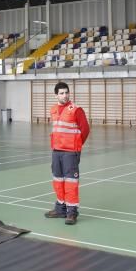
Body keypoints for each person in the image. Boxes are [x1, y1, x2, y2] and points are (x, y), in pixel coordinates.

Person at [46, 81, 90, 225]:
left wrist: (75, 145)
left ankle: (71, 213)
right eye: (61, 93)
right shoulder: (53, 109)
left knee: (71, 183)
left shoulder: (76, 110)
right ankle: (60, 209)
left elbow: (85, 130)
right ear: (56, 95)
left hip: (70, 152)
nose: (65, 95)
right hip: (56, 151)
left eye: (66, 92)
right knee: (58, 181)